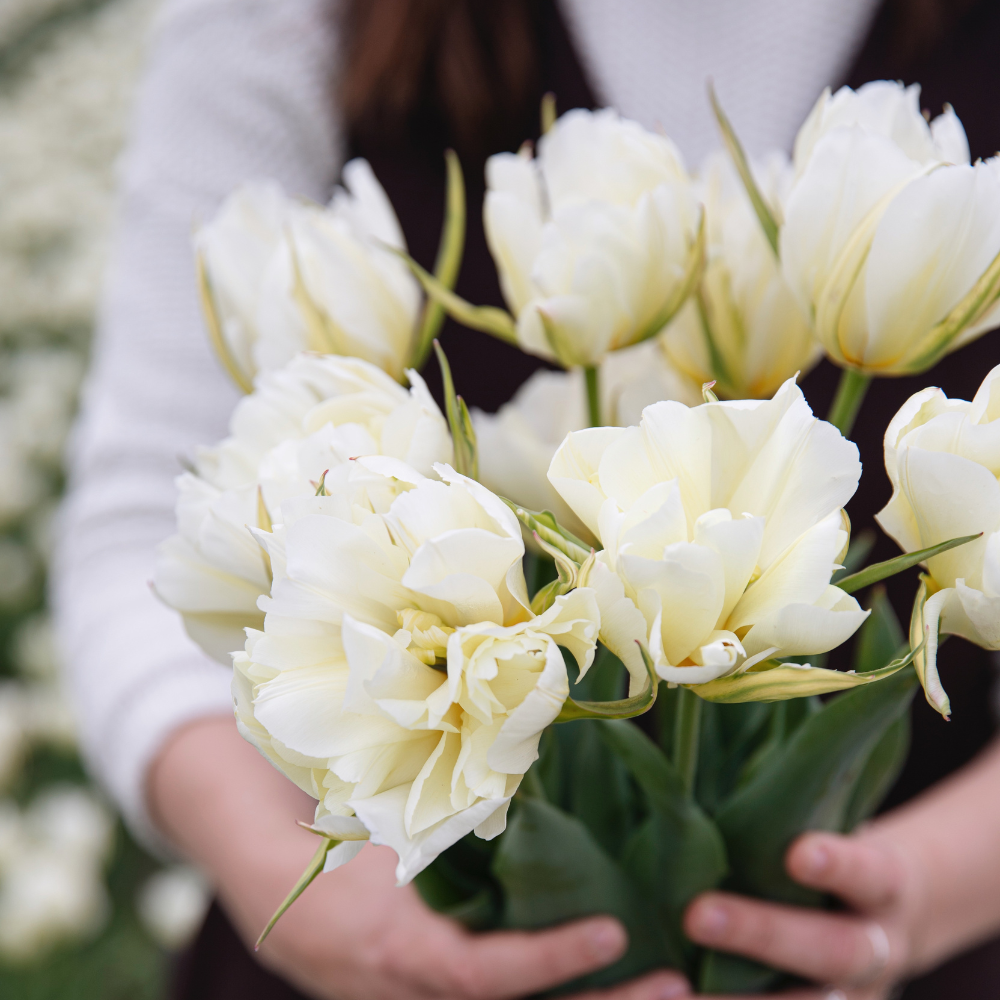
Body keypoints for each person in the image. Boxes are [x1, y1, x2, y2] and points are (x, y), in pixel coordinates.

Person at [53, 1, 1000, 998]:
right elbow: (140, 530)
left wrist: (930, 887)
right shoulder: (282, 20)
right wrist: (287, 875)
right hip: (382, 942)